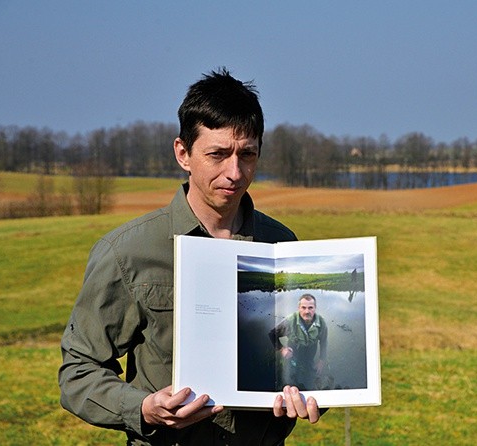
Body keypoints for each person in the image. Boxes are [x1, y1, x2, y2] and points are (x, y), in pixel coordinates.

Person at [59, 68, 320, 445]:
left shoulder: (281, 245)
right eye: (217, 154)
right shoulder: (128, 251)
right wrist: (143, 407)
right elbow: (78, 371)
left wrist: (312, 394)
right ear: (183, 153)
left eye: (247, 154)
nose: (234, 172)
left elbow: (300, 363)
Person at [269, 294, 328, 390]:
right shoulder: (290, 321)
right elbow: (272, 334)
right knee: (292, 374)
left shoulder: (321, 323)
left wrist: (321, 360)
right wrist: (282, 349)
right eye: (303, 307)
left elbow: (324, 342)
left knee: (309, 374)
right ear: (298, 308)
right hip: (293, 353)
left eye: (310, 308)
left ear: (315, 308)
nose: (307, 311)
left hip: (310, 353)